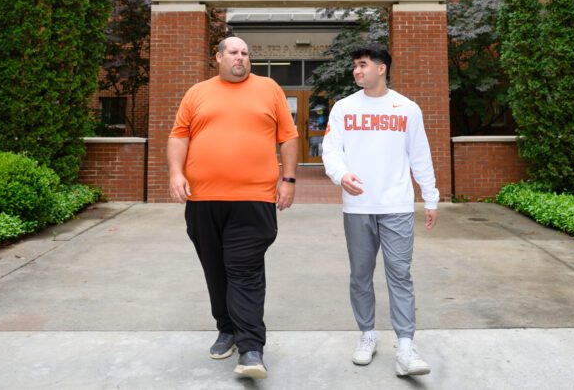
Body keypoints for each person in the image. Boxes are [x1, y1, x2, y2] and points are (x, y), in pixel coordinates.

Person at [168, 36, 299, 380]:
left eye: (245, 53)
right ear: (218, 57)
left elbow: (288, 136)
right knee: (215, 269)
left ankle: (251, 347)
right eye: (234, 52)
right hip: (203, 200)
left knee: (244, 270)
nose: (241, 57)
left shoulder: (269, 89)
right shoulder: (197, 93)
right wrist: (176, 173)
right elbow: (179, 135)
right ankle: (226, 328)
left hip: (253, 200)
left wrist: (288, 179)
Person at [321, 45, 439, 377]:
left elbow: (420, 156)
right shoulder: (343, 108)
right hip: (357, 207)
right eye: (355, 66)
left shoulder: (407, 109)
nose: (357, 71)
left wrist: (430, 198)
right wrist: (341, 175)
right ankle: (367, 334)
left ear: (381, 68)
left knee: (400, 274)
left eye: (363, 65)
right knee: (360, 274)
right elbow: (331, 150)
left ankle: (406, 346)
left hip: (396, 206)